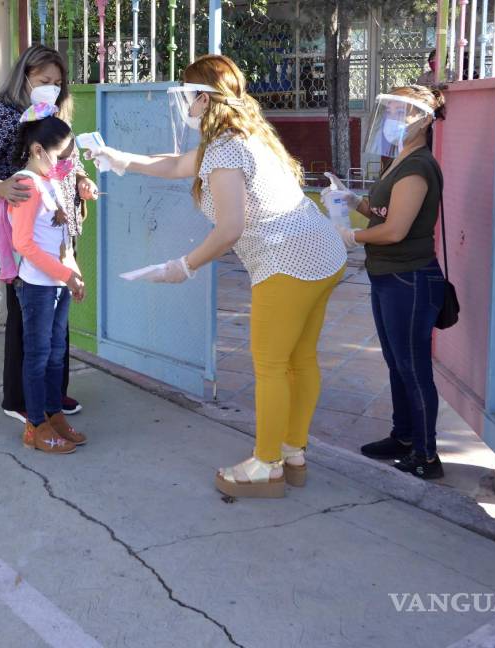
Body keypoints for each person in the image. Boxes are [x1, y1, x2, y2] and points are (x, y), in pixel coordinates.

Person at [92, 55, 347, 498]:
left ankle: (266, 467)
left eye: (188, 97)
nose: (185, 107)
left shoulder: (226, 149)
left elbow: (230, 228)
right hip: (322, 252)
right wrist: (119, 159)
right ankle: (293, 453)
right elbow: (175, 165)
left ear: (204, 99)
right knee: (300, 359)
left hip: (286, 263)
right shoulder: (245, 135)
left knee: (270, 366)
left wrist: (183, 267)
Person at [0, 44, 99, 425]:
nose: (51, 88)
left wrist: (83, 180)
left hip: (59, 229)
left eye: (57, 83)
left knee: (57, 321)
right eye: (43, 81)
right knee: (27, 320)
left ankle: (52, 396)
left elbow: (70, 161)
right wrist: (0, 187)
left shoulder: (54, 115)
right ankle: (19, 399)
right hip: (22, 231)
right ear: (24, 77)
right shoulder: (0, 115)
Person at [325, 85, 448, 480]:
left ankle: (427, 456)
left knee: (413, 367)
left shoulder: (418, 167)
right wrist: (351, 201)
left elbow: (394, 230)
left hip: (409, 278)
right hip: (388, 276)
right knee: (396, 362)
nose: (394, 119)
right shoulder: (399, 160)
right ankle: (405, 437)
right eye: (391, 111)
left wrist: (352, 236)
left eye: (402, 112)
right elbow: (381, 211)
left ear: (425, 120)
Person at [8, 103, 88, 454]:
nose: (67, 164)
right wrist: (65, 274)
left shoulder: (48, 180)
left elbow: (62, 235)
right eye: (62, 156)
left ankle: (54, 415)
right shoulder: (26, 184)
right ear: (38, 150)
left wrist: (75, 273)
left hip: (58, 284)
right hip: (39, 287)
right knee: (38, 355)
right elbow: (22, 242)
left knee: (57, 354)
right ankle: (35, 425)